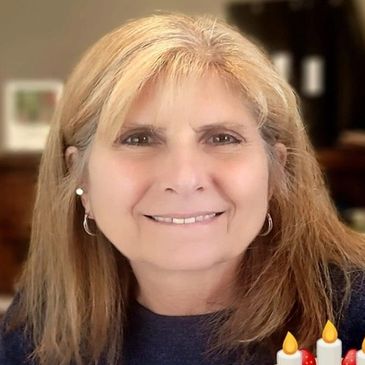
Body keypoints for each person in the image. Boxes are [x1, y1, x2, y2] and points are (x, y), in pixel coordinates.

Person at [0, 12, 364, 365]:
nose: (184, 178)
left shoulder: (355, 311)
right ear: (79, 176)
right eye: (139, 138)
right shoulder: (38, 328)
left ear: (276, 169)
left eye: (222, 137)